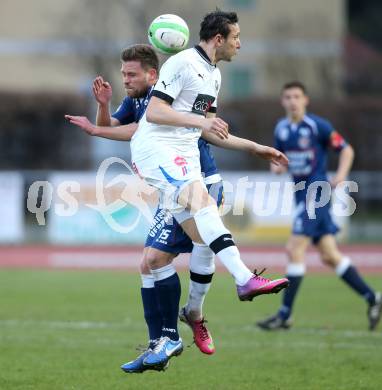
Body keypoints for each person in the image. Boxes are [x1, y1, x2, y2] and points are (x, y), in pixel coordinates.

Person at [66, 42, 289, 373]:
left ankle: (196, 313)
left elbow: (206, 123)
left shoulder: (175, 89)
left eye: (131, 74)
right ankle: (168, 335)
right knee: (152, 261)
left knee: (187, 244)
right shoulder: (138, 100)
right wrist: (102, 108)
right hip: (169, 181)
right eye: (124, 73)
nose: (125, 79)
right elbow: (118, 125)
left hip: (195, 176)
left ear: (153, 73)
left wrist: (252, 146)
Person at [128, 9, 289, 369]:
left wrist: (255, 147)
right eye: (236, 37)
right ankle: (244, 279)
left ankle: (169, 339)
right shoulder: (183, 63)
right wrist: (200, 120)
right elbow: (155, 112)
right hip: (158, 152)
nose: (239, 43)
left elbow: (206, 129)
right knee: (203, 207)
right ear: (219, 38)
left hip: (183, 156)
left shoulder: (212, 76)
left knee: (192, 237)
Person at [256, 81, 382, 331]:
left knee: (294, 249)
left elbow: (346, 150)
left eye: (297, 96)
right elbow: (278, 160)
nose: (292, 101)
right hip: (301, 195)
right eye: (288, 96)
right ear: (282, 101)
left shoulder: (317, 126)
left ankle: (284, 314)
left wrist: (342, 175)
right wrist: (277, 166)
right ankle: (373, 298)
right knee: (329, 254)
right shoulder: (281, 129)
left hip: (317, 194)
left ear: (306, 100)